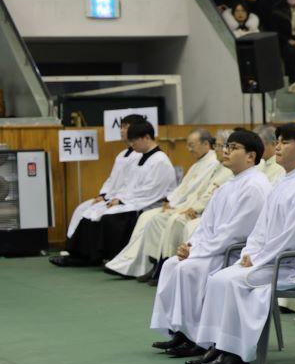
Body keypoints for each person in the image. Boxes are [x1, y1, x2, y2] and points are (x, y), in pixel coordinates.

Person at [188, 124, 295, 364]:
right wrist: (249, 253)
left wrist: (260, 258)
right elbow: (261, 229)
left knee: (234, 281)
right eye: (277, 141)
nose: (277, 146)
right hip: (272, 260)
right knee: (219, 278)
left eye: (285, 142)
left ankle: (237, 353)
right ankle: (217, 345)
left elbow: (294, 237)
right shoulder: (285, 181)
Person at [149, 130, 272, 360]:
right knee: (171, 265)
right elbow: (207, 225)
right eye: (226, 146)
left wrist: (197, 253)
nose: (225, 151)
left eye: (233, 147)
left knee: (188, 268)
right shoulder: (229, 185)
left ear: (250, 156)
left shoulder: (255, 186)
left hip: (233, 253)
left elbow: (235, 232)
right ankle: (182, 331)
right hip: (214, 248)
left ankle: (197, 338)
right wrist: (190, 245)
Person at [104, 129, 226, 280]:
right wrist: (170, 200)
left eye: (191, 145)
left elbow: (199, 192)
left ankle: (161, 265)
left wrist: (182, 205)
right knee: (146, 217)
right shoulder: (201, 164)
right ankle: (147, 264)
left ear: (206, 144)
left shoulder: (212, 163)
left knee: (165, 220)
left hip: (192, 208)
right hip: (182, 204)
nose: (189, 149)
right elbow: (184, 187)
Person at [54, 120, 177, 267]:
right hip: (132, 200)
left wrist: (122, 201)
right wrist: (117, 198)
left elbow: (151, 191)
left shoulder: (160, 161)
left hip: (148, 204)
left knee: (109, 218)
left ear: (146, 137)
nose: (132, 145)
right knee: (91, 213)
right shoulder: (142, 157)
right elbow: (129, 184)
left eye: (134, 141)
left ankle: (109, 257)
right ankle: (83, 255)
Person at [65, 114, 146, 238]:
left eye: (125, 127)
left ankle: (88, 252)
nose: (121, 131)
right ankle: (72, 245)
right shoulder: (122, 154)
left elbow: (130, 184)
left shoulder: (139, 155)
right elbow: (111, 179)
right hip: (110, 196)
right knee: (81, 208)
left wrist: (117, 199)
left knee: (95, 213)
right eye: (121, 127)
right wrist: (102, 195)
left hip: (123, 199)